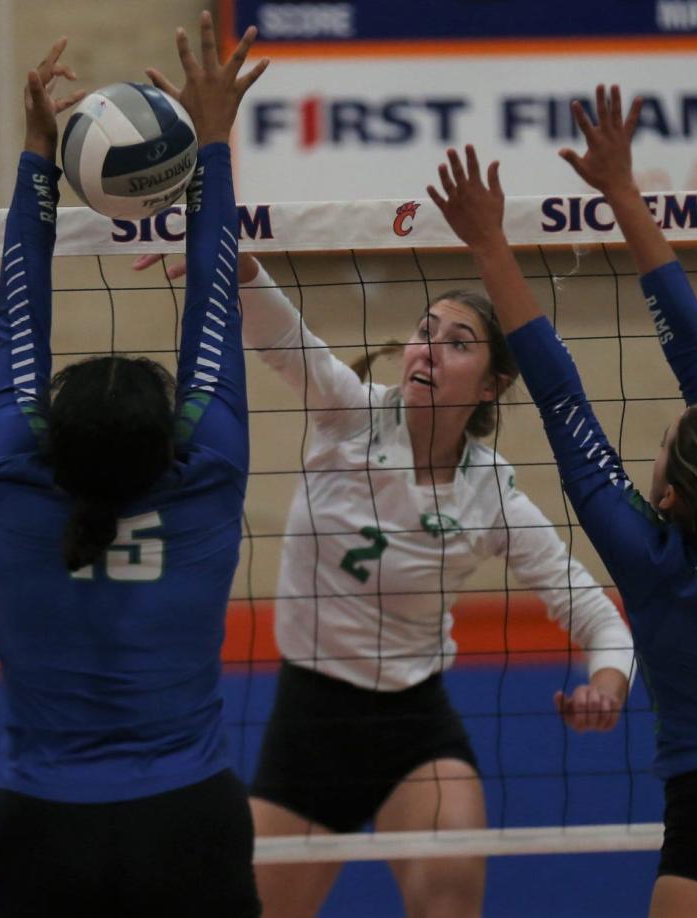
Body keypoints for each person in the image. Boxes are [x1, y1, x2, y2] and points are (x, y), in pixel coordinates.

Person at [427, 87, 697, 917]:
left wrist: (489, 245)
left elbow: (562, 399)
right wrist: (623, 193)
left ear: (664, 496)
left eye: (665, 439)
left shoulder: (657, 563)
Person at [232, 251, 635, 917]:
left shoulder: (492, 492)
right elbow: (283, 336)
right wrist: (234, 261)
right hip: (311, 723)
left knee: (449, 899)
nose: (429, 349)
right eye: (425, 331)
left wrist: (607, 684)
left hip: (414, 727)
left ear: (490, 386)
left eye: (457, 343)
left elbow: (599, 618)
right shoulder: (349, 415)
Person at [0, 15, 267, 917]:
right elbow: (217, 300)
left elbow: (20, 313)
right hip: (189, 823)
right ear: (166, 438)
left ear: (47, 434)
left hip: (43, 831)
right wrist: (213, 142)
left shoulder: (15, 484)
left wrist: (37, 150)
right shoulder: (205, 471)